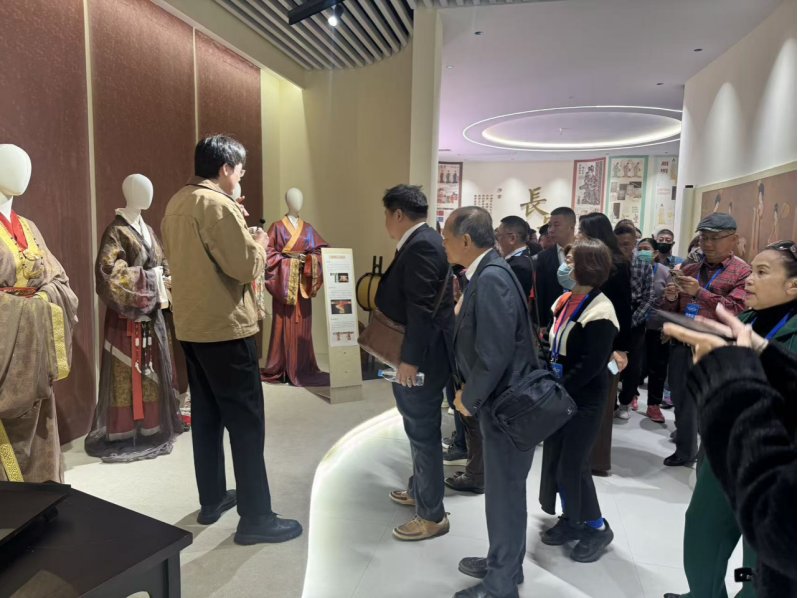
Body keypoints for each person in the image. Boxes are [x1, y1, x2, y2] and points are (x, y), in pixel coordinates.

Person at [161, 135, 301, 544]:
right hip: (225, 327)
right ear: (225, 169)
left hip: (191, 326)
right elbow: (244, 267)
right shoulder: (217, 206)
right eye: (240, 170)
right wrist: (259, 242)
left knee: (207, 417)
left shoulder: (176, 202)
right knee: (246, 423)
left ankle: (212, 499)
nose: (241, 177)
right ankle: (256, 518)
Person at [664, 240, 797, 598]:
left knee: (761, 557)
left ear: (793, 286)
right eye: (751, 270)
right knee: (703, 530)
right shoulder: (745, 321)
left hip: (777, 460)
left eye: (762, 273)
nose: (749, 280)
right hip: (726, 449)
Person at [443, 206, 540, 598]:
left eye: (447, 238)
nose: (443, 245)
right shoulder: (488, 271)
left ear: (466, 240)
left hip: (505, 407)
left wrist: (469, 397)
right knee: (506, 494)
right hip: (502, 405)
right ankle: (505, 563)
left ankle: (501, 584)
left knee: (504, 496)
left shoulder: (492, 277)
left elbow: (495, 353)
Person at [375, 184, 455, 541]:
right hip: (424, 353)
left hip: (421, 358)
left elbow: (421, 311)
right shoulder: (426, 240)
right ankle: (419, 490)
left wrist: (409, 361)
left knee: (423, 433)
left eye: (386, 215)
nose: (386, 222)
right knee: (416, 428)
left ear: (397, 214)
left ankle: (432, 516)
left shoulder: (422, 245)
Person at [539, 239, 619, 563]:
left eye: (571, 261)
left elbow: (591, 365)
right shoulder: (564, 300)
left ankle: (598, 527)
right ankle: (572, 519)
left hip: (584, 400)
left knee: (574, 465)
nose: (565, 266)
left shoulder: (601, 310)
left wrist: (558, 389)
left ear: (588, 267)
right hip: (561, 394)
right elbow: (553, 348)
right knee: (558, 462)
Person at [660, 213, 751, 467]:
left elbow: (736, 309)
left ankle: (707, 461)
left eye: (715, 238)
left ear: (733, 239)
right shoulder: (689, 269)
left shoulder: (742, 272)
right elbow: (677, 307)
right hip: (683, 345)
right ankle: (685, 450)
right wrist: (670, 297)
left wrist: (700, 292)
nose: (707, 244)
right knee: (681, 400)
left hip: (716, 348)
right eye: (703, 238)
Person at [577, 212, 632, 474]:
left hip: (608, 343)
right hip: (586, 338)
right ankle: (582, 454)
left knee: (602, 399)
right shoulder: (587, 261)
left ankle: (597, 460)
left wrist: (621, 348)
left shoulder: (617, 264)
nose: (578, 236)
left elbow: (624, 309)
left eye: (582, 232)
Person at [614, 224, 654, 419]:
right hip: (612, 317)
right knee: (611, 360)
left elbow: (649, 297)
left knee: (633, 365)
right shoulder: (610, 263)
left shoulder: (644, 265)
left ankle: (625, 402)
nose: (623, 248)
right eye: (619, 244)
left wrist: (633, 320)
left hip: (635, 319)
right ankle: (610, 400)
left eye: (627, 244)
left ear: (634, 243)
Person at [636, 238, 670, 423]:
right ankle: (631, 395)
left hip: (657, 326)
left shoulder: (665, 272)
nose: (642, 252)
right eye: (639, 248)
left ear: (655, 253)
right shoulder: (633, 268)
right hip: (636, 325)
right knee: (635, 364)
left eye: (646, 249)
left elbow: (672, 300)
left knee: (657, 367)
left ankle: (654, 404)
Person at [532, 207, 577, 333]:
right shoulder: (543, 257)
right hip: (553, 321)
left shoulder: (585, 252)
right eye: (550, 225)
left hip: (580, 316)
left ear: (571, 227)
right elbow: (540, 291)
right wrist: (541, 323)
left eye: (556, 225)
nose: (551, 230)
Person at [495, 215, 534, 300]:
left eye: (498, 235)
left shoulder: (518, 266)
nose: (497, 240)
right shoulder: (525, 258)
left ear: (512, 238)